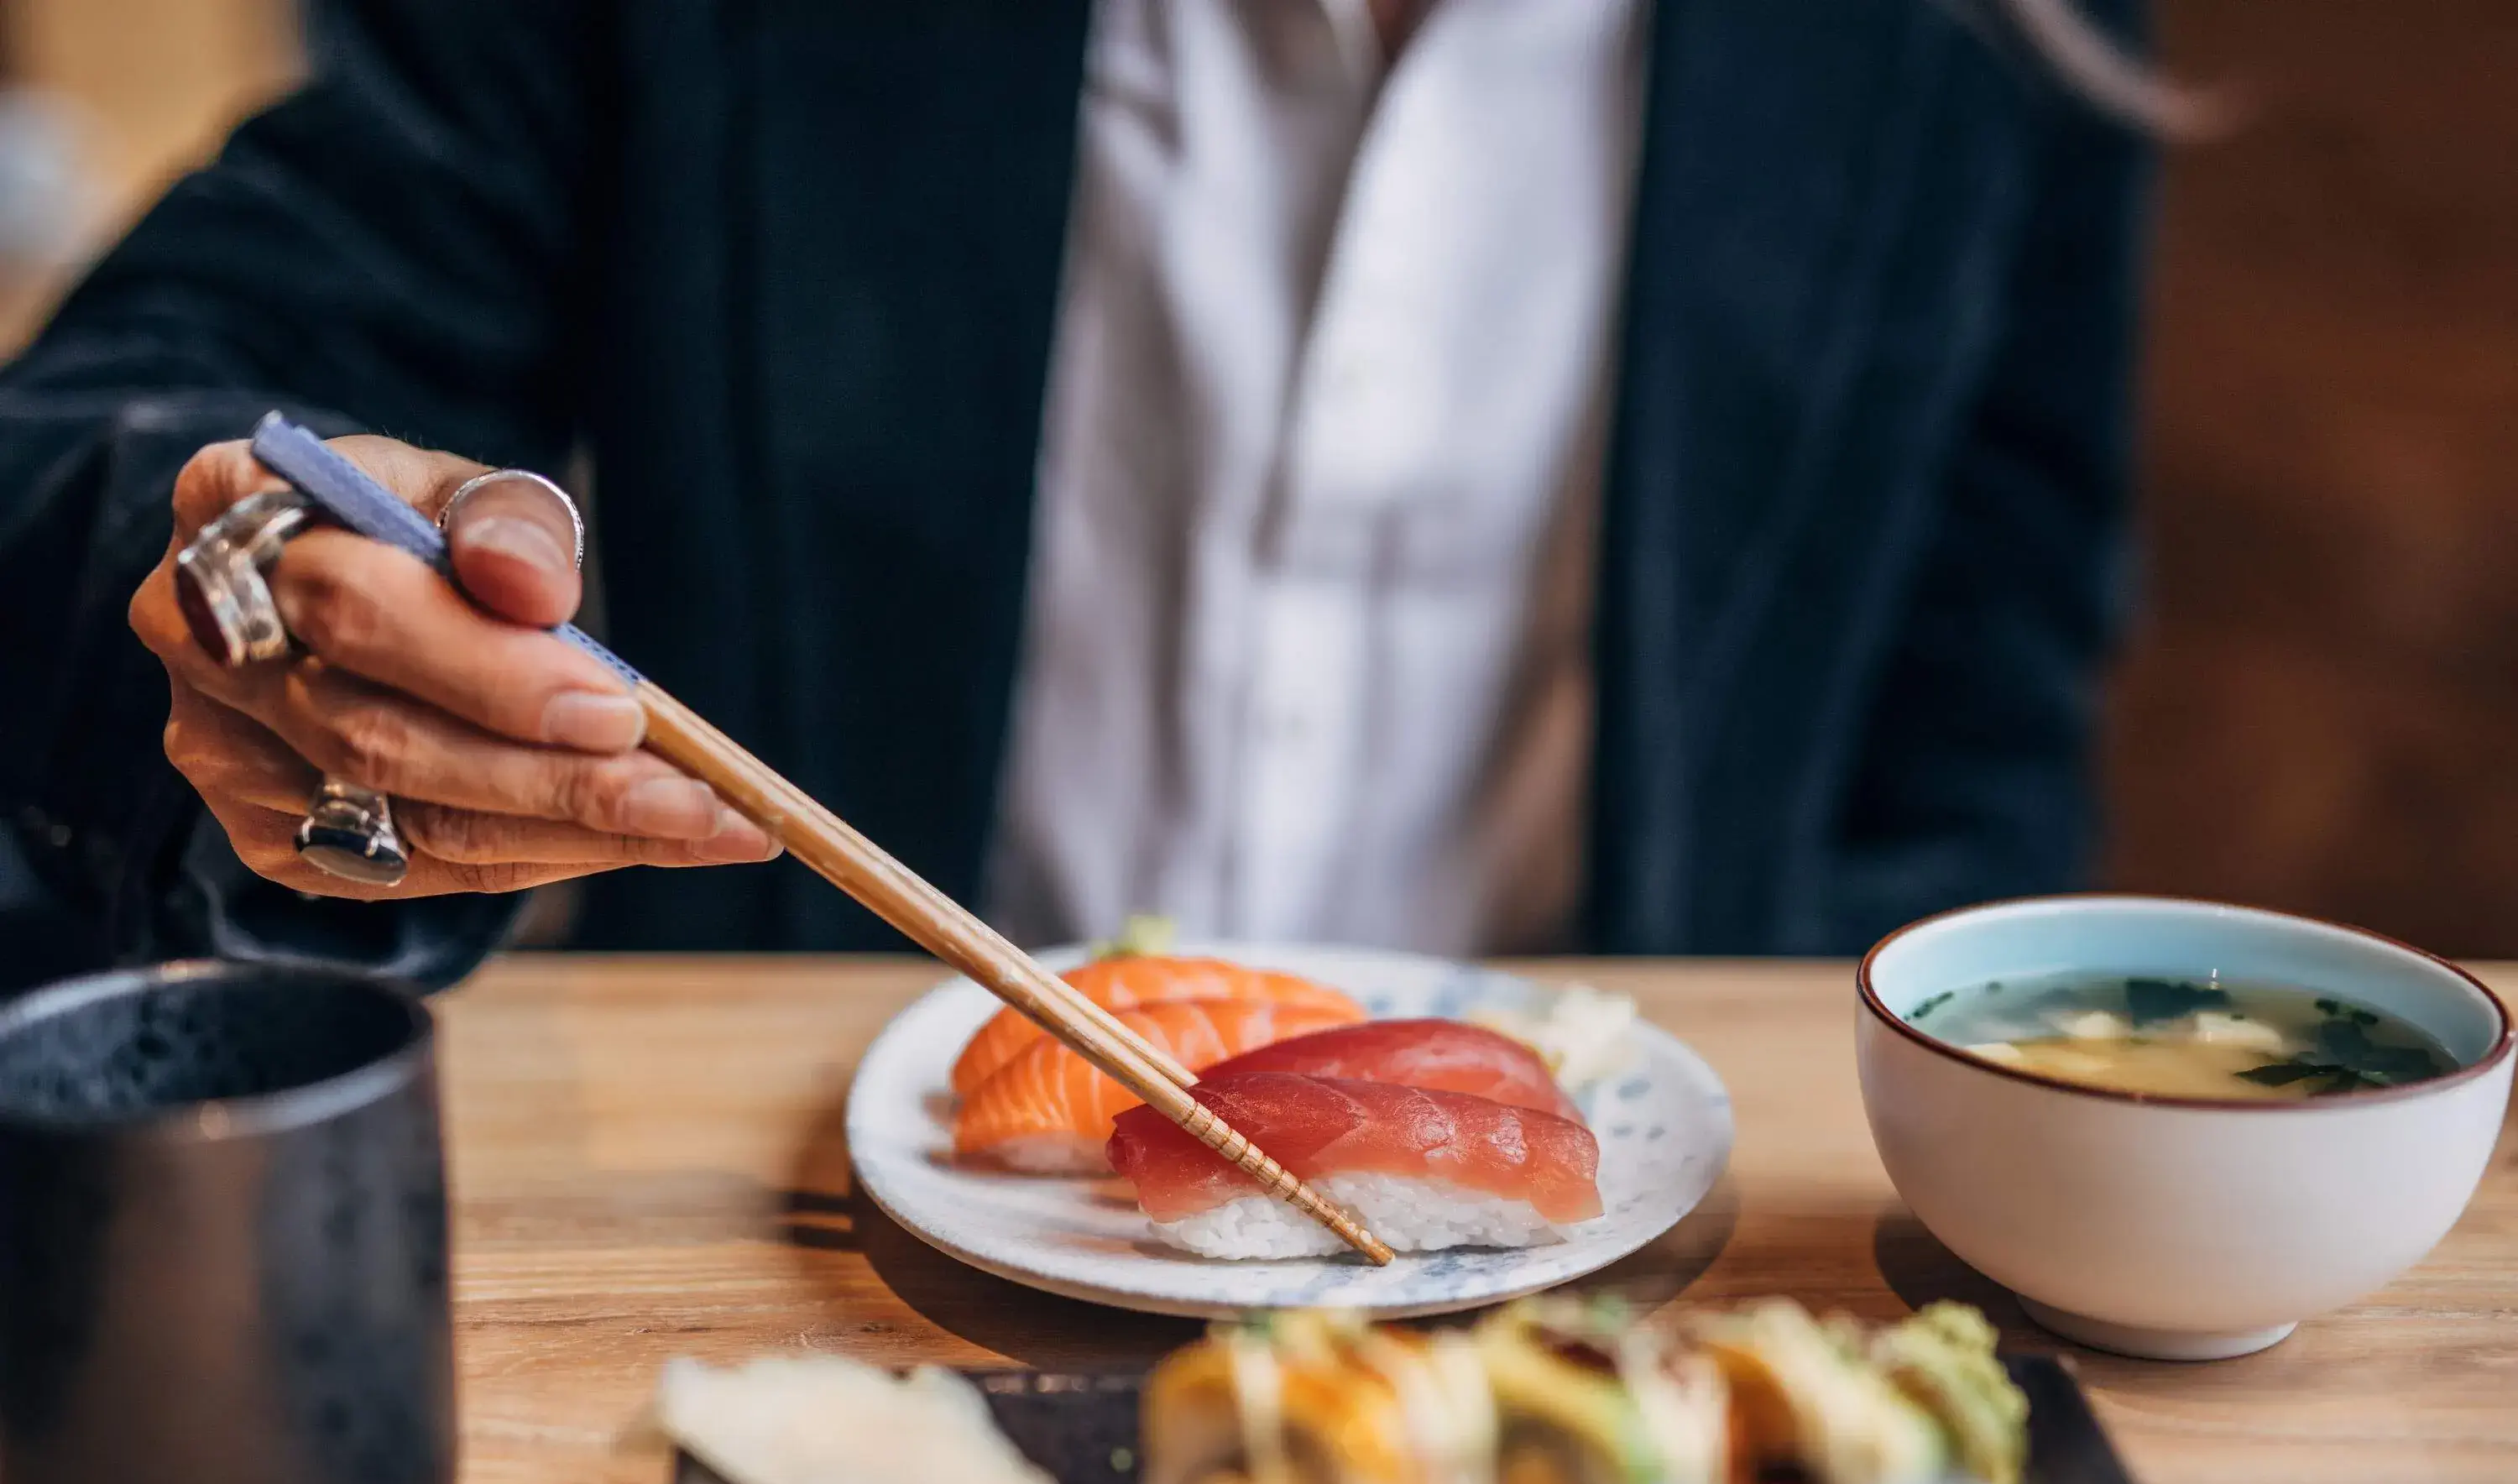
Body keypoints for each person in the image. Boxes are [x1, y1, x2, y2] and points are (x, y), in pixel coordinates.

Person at [0, 0, 2155, 993]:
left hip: (1627, 1275)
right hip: (827, 1245)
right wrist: (295, 657)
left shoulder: (1978, 51)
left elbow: (1967, 736)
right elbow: (99, 441)